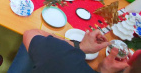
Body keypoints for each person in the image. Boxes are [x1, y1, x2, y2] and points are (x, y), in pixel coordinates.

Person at [8, 29, 136, 73]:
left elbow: (32, 33)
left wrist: (80, 47)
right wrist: (103, 70)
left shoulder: (67, 62)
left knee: (31, 47)